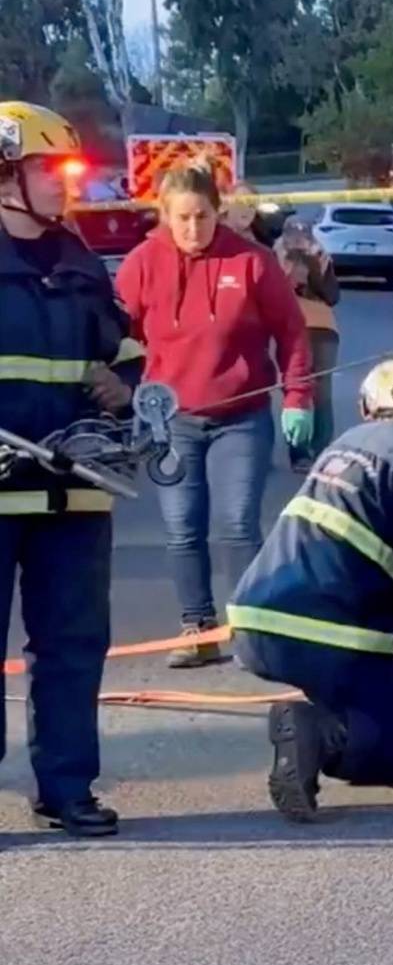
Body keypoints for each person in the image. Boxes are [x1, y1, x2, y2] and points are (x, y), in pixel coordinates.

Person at [226, 339, 393, 822]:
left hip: (256, 617)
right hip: (325, 632)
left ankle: (329, 720)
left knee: (392, 709)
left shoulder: (357, 439)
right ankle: (322, 735)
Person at [0, 101, 143, 837]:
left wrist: (127, 386)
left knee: (73, 645)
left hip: (77, 492)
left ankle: (66, 788)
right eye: (48, 170)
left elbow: (126, 348)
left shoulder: (82, 261)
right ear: (3, 176)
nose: (65, 184)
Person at [115, 165, 314, 669]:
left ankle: (254, 628)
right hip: (171, 420)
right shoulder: (141, 264)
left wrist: (297, 398)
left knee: (237, 524)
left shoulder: (251, 260)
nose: (192, 228)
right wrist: (122, 397)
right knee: (182, 526)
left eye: (202, 217)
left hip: (240, 414)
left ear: (217, 212)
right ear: (163, 215)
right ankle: (198, 627)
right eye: (181, 218)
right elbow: (117, 337)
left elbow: (291, 332)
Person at [275, 219, 342, 472]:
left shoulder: (320, 257)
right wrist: (286, 268)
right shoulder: (274, 256)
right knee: (295, 388)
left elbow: (332, 296)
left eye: (303, 236)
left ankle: (322, 449)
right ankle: (300, 453)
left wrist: (315, 266)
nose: (298, 241)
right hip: (288, 328)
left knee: (322, 391)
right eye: (293, 236)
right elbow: (271, 292)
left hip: (323, 328)